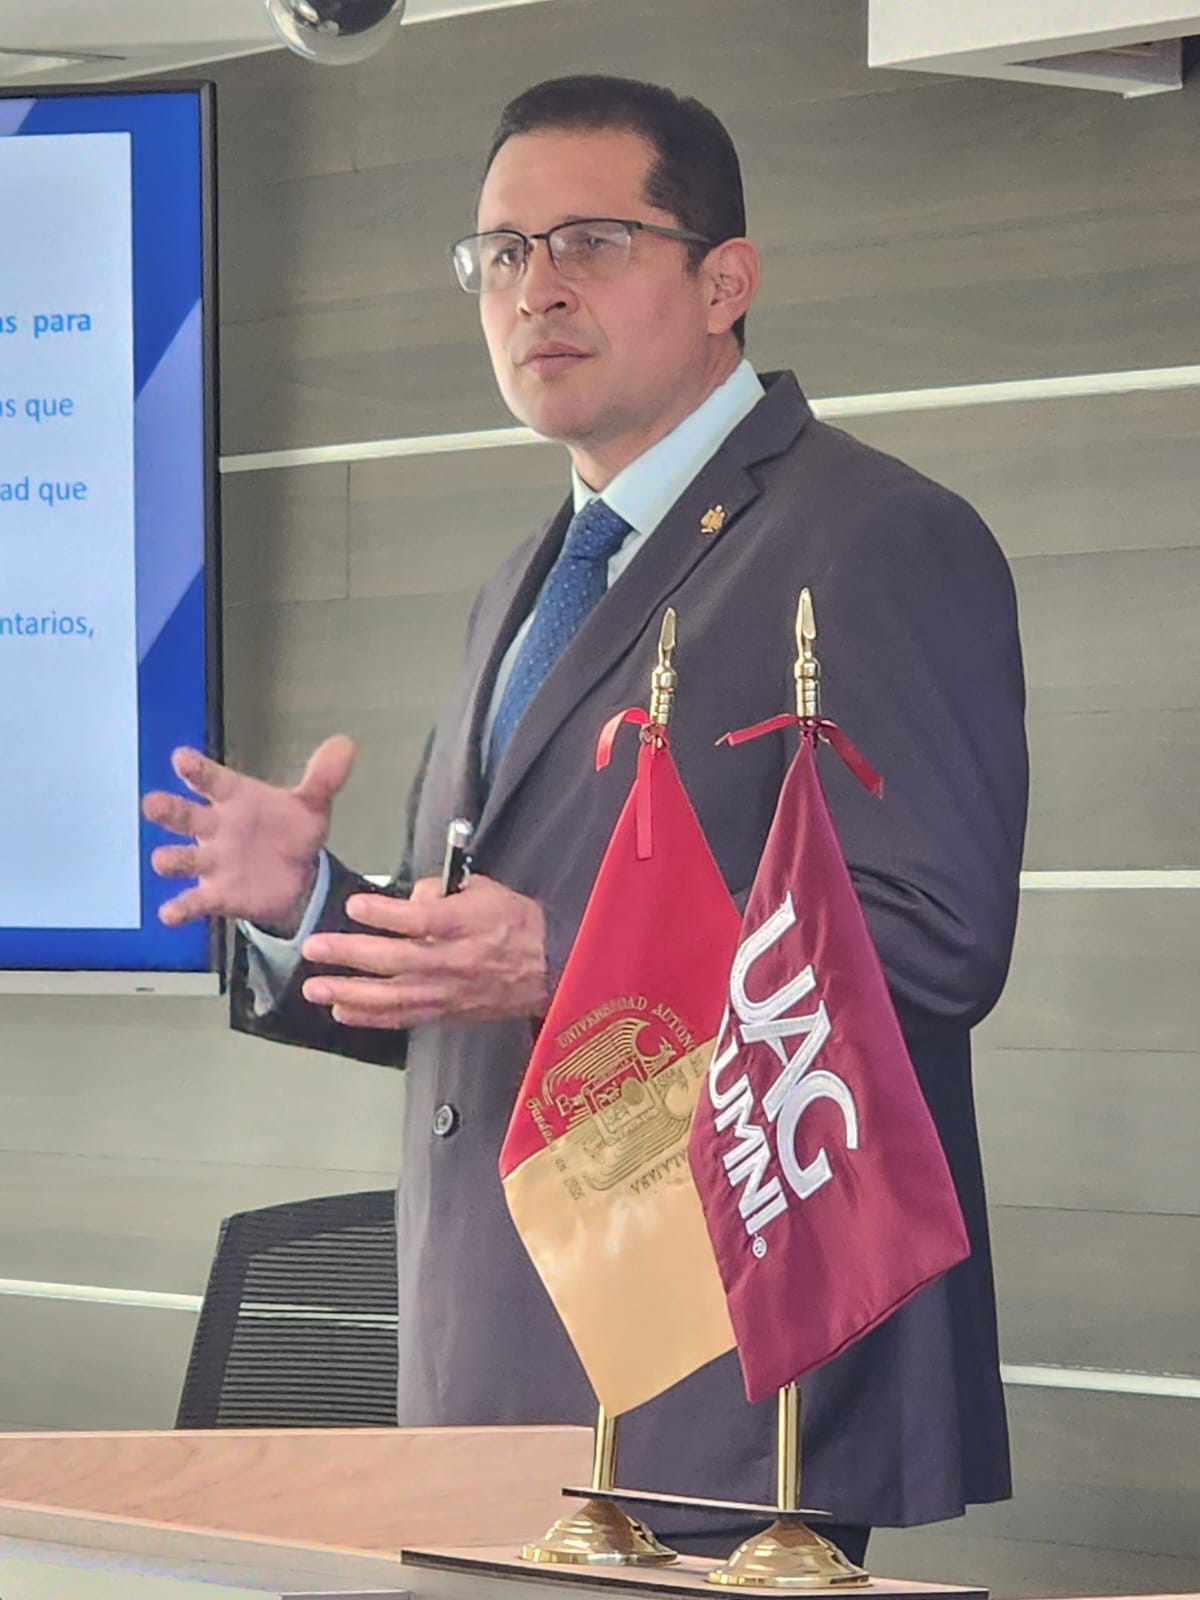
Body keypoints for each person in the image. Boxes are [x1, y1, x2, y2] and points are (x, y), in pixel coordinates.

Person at [143, 75, 1027, 1564]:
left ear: (725, 280)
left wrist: (569, 960)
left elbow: (934, 946)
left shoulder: (877, 537)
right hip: (487, 1375)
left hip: (728, 1388)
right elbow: (489, 967)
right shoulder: (533, 576)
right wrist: (314, 906)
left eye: (591, 242)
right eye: (500, 252)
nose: (534, 288)